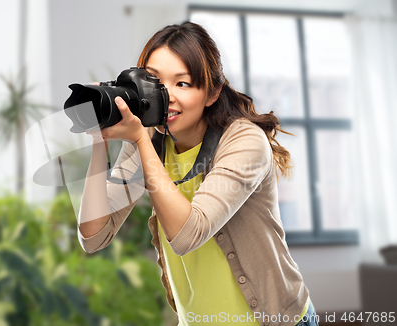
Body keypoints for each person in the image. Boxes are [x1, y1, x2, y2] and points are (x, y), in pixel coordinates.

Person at [77, 21, 319, 326]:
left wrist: (139, 139)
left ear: (212, 91)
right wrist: (101, 141)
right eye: (155, 82)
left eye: (183, 83)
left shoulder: (244, 141)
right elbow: (93, 236)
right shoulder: (150, 137)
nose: (167, 97)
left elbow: (187, 235)